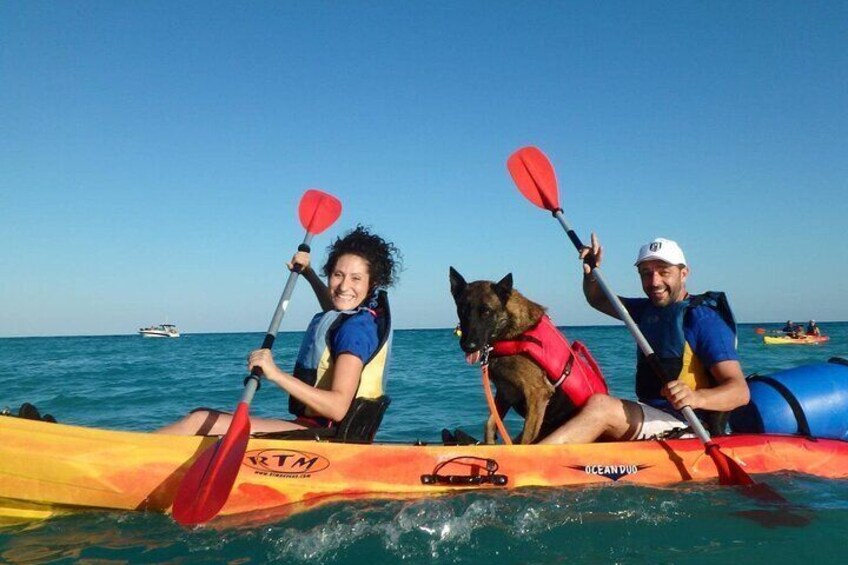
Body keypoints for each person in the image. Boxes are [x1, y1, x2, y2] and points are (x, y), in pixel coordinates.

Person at [156, 225, 401, 436]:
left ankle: (123, 462)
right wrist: (308, 273)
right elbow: (336, 308)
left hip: (326, 438)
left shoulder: (356, 332)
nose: (344, 285)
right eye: (338, 275)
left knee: (199, 422)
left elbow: (337, 407)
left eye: (356, 279)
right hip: (321, 431)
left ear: (373, 283)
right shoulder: (358, 319)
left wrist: (275, 374)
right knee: (201, 417)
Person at [540, 235, 749, 444]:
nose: (654, 282)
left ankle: (533, 465)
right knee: (572, 404)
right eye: (646, 274)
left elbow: (739, 391)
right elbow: (599, 299)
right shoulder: (647, 310)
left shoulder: (704, 320)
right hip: (651, 413)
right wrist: (591, 271)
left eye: (664, 272)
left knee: (601, 407)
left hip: (689, 424)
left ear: (684, 273)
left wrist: (697, 397)